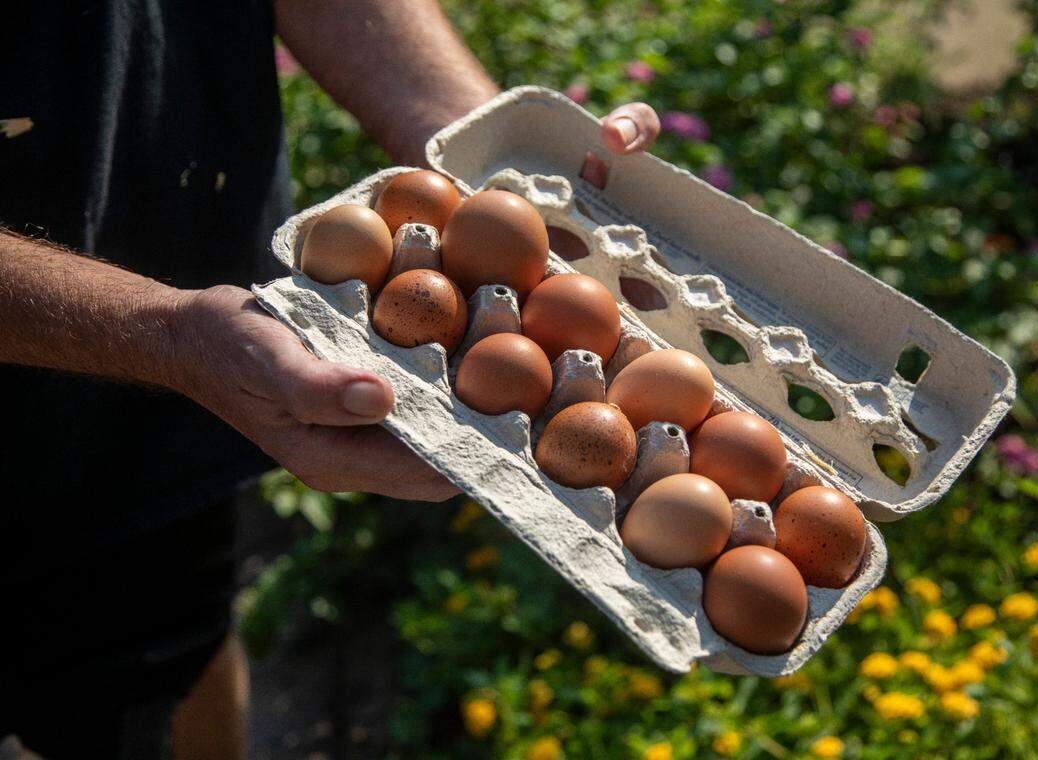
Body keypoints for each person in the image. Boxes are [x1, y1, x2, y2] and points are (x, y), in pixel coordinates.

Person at [0, 1, 661, 756]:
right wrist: (162, 334)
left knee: (171, 648)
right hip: (105, 374)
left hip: (186, 357)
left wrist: (492, 168)